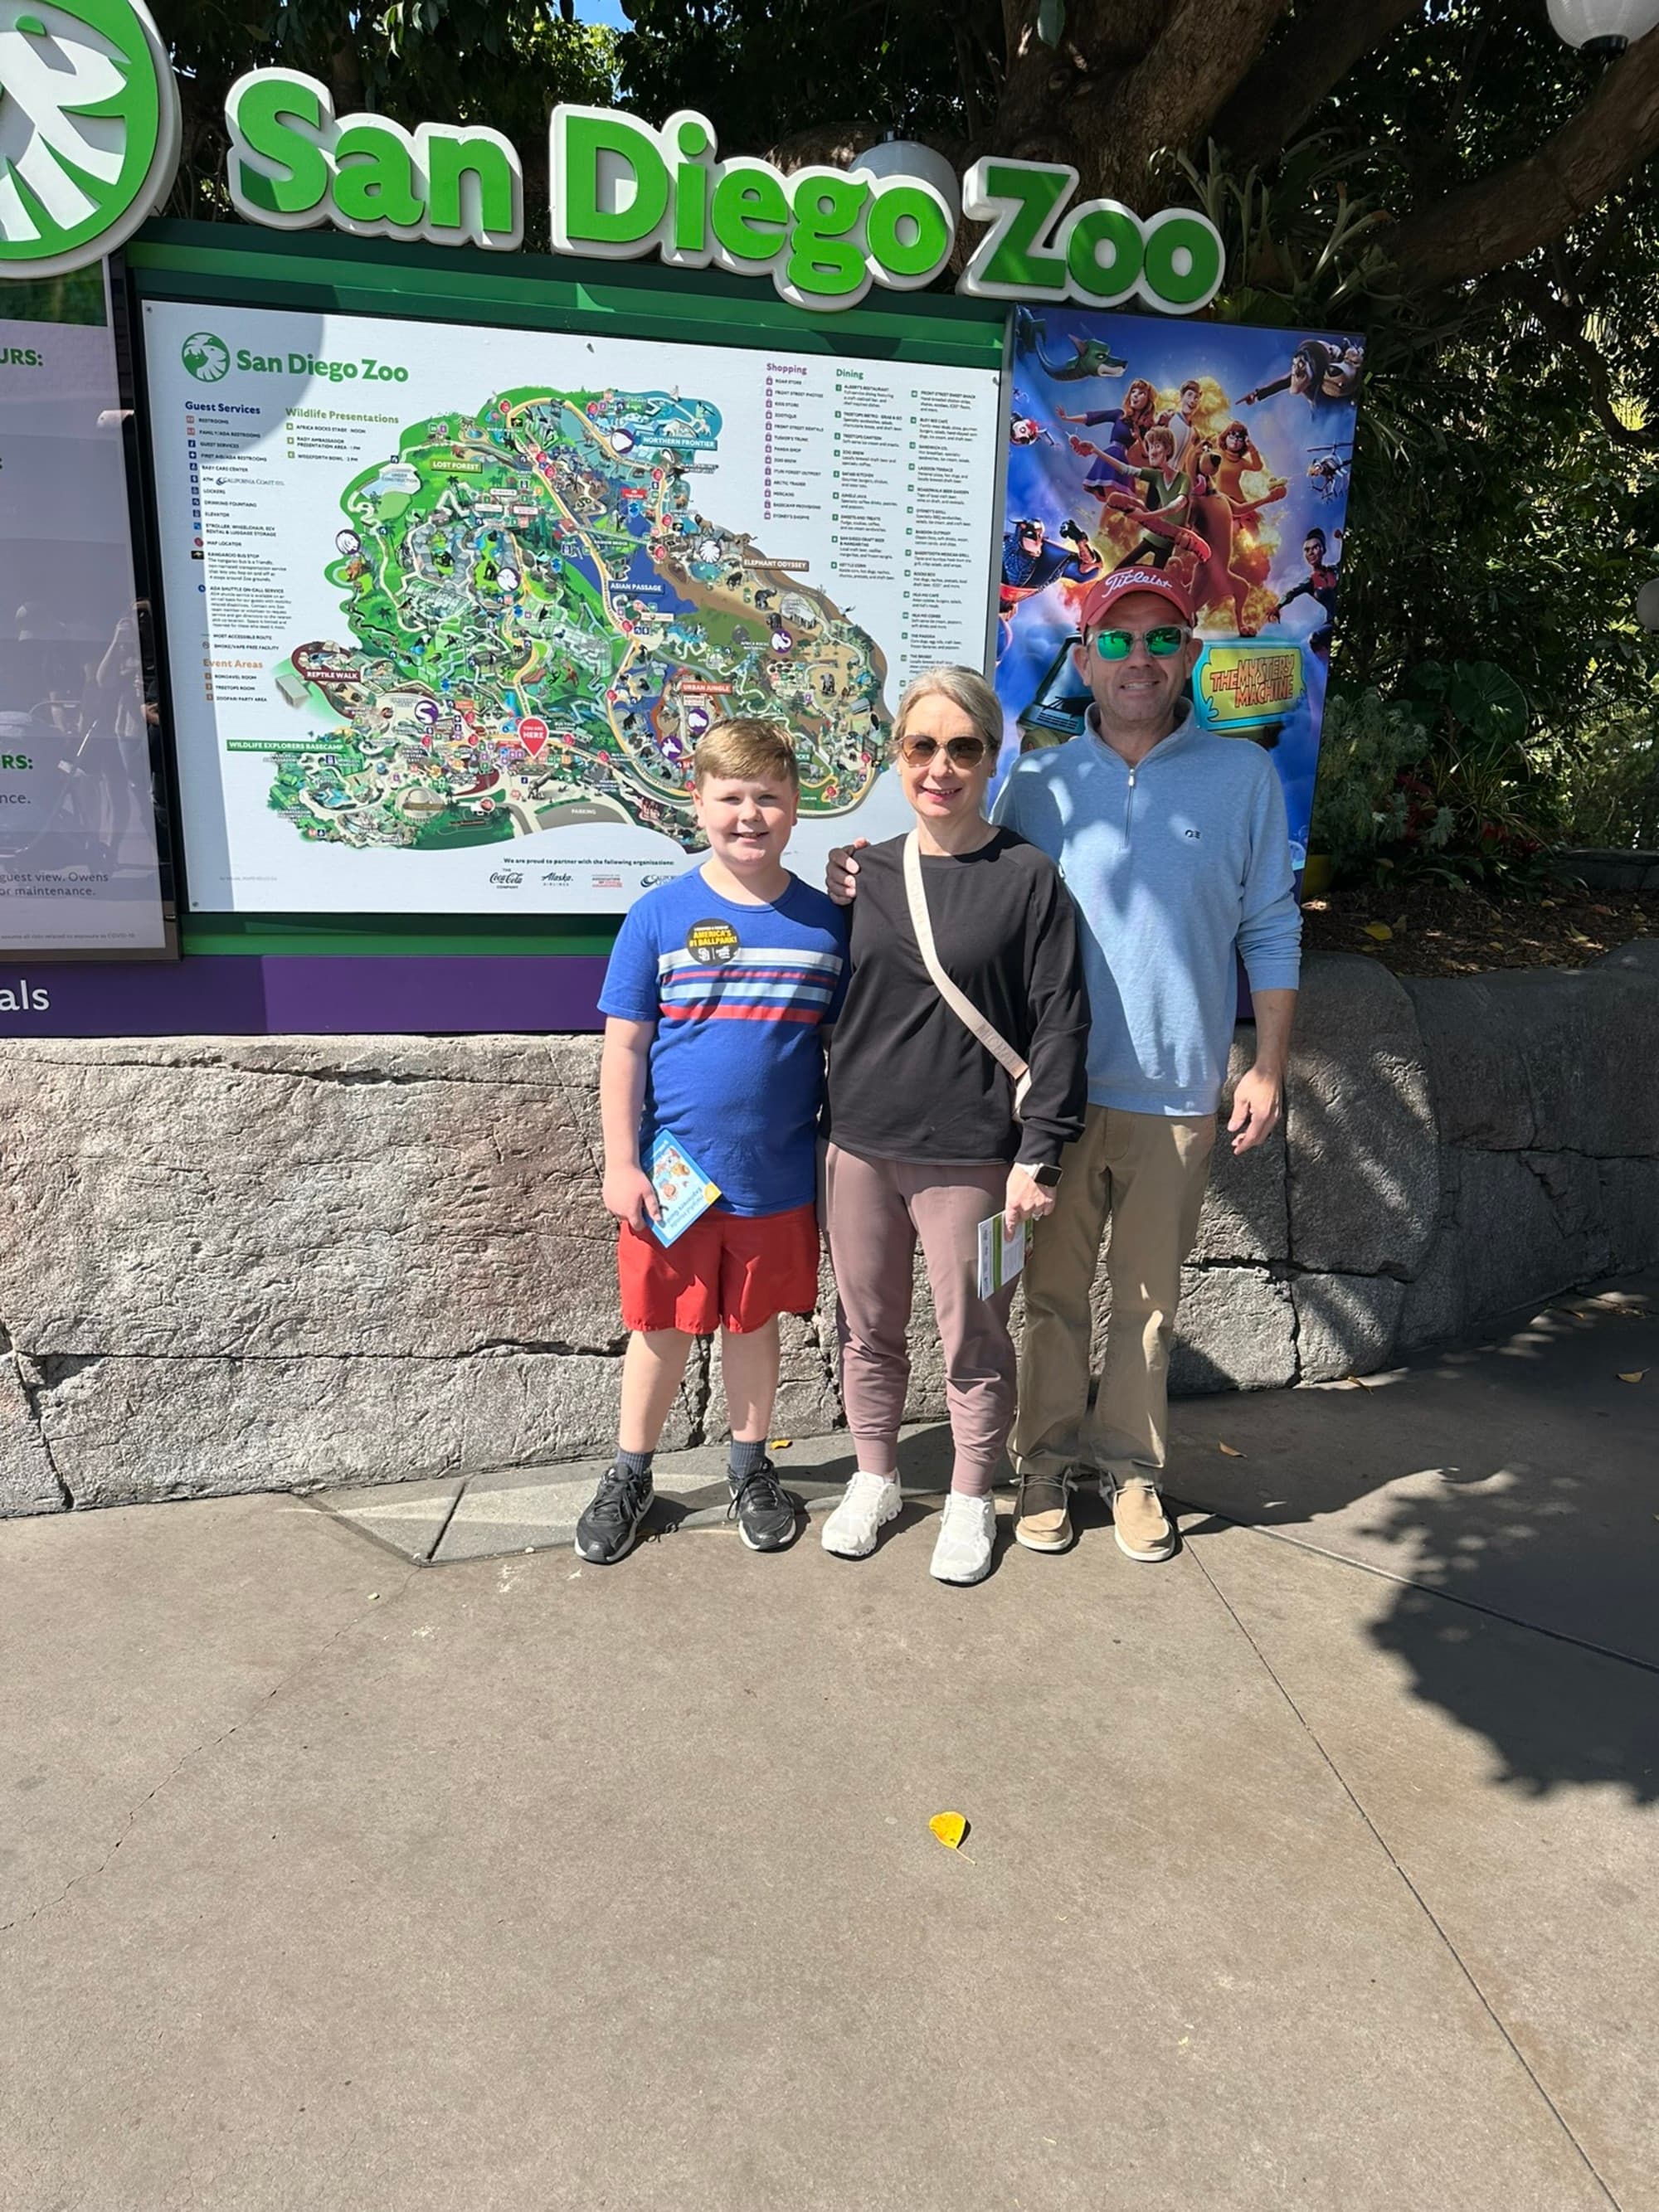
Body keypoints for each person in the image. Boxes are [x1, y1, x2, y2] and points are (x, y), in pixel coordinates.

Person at [829, 571, 1300, 1563]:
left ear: (1189, 656)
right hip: (1049, 1105)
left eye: (1160, 639)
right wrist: (854, 872)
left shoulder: (1242, 779)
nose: (1138, 659)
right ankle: (1040, 1465)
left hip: (1175, 1090)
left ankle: (1130, 1473)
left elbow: (1268, 925)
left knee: (1147, 1304)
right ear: (1083, 660)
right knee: (1043, 1300)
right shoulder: (1037, 785)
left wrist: (1264, 1064)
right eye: (1115, 641)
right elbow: (963, 873)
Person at [818, 666, 1088, 1586]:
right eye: (921, 746)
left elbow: (1060, 1022)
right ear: (896, 756)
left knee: (975, 1337)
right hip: (860, 1143)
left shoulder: (1026, 877)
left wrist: (1039, 1152)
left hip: (975, 1153)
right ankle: (875, 1476)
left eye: (962, 748)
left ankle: (972, 1494)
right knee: (866, 1327)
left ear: (991, 757)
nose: (940, 767)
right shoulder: (860, 876)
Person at [576, 717, 848, 1565]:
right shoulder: (657, 916)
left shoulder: (826, 925)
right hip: (672, 1177)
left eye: (768, 797)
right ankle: (630, 1472)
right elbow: (624, 1049)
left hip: (777, 1178)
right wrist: (620, 1162)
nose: (749, 815)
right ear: (696, 804)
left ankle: (749, 1467)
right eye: (730, 797)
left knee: (753, 1325)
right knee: (658, 1327)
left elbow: (845, 1050)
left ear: (796, 807)